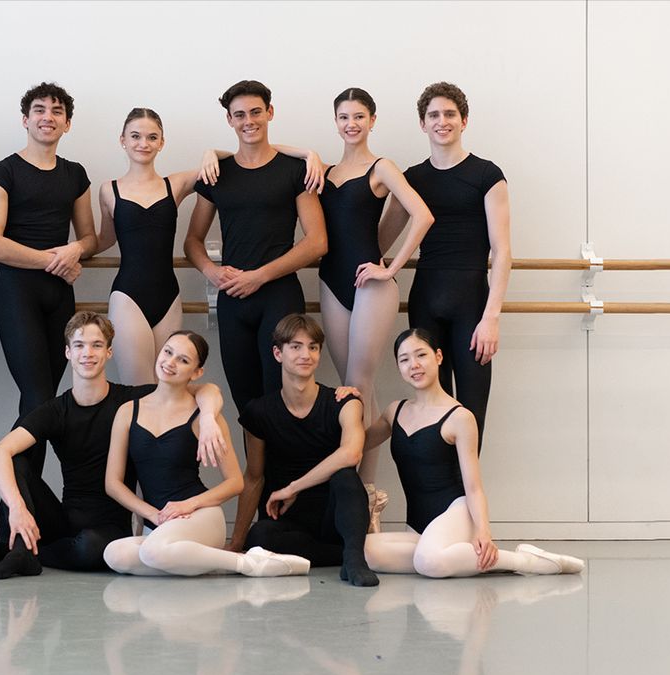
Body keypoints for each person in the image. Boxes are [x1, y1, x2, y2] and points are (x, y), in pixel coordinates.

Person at [0, 312, 227, 580]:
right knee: (14, 462)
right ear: (68, 352)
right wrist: (18, 508)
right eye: (79, 345)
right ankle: (20, 551)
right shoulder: (55, 410)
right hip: (64, 519)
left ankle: (29, 553)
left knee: (90, 548)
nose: (87, 353)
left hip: (109, 528)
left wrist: (207, 418)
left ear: (109, 352)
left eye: (97, 345)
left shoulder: (133, 400)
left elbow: (208, 389)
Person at [278, 88, 434, 504]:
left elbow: (422, 215)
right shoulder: (324, 172)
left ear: (372, 121)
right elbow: (270, 149)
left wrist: (391, 268)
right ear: (336, 122)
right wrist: (308, 152)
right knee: (354, 389)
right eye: (344, 117)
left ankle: (359, 496)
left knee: (356, 386)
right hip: (331, 283)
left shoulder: (381, 168)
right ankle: (364, 492)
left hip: (371, 286)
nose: (352, 124)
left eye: (359, 117)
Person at [95, 108, 321, 386]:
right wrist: (72, 251)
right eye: (135, 136)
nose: (143, 143)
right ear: (123, 140)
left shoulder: (176, 184)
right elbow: (104, 239)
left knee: (170, 386)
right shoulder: (108, 190)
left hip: (168, 296)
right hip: (127, 295)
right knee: (138, 387)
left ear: (162, 142)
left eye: (152, 137)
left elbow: (239, 155)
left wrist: (306, 154)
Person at [362, 329, 584, 578]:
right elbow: (358, 444)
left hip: (456, 513)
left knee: (428, 561)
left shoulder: (460, 417)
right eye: (404, 359)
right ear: (398, 367)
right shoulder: (395, 411)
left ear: (438, 357)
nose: (414, 365)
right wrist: (347, 400)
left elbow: (474, 486)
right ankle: (445, 554)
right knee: (365, 551)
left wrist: (483, 531)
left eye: (421, 355)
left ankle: (523, 560)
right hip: (418, 524)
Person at [103, 331, 310, 577]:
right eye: (168, 352)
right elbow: (113, 483)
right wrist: (153, 515)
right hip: (159, 523)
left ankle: (247, 563)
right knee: (114, 554)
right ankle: (200, 561)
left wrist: (188, 505)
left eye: (183, 360)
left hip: (200, 517)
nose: (170, 362)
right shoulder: (128, 411)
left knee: (152, 553)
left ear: (196, 372)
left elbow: (235, 482)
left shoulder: (204, 417)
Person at [184, 79, 328, 413]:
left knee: (284, 398)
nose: (248, 121)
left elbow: (317, 242)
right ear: (229, 120)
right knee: (246, 404)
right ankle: (253, 453)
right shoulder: (216, 173)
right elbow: (192, 241)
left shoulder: (296, 170)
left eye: (255, 112)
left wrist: (259, 276)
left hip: (279, 296)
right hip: (232, 299)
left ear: (269, 112)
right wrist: (212, 272)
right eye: (239, 115)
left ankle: (286, 453)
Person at [379, 82, 510, 446]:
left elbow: (502, 251)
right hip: (426, 298)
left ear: (464, 120)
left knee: (471, 410)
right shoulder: (413, 179)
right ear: (422, 123)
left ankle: (467, 484)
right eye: (433, 115)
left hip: (472, 304)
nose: (442, 121)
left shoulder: (487, 175)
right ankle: (439, 483)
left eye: (450, 114)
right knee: (433, 407)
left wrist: (491, 317)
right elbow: (381, 239)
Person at [0, 82, 96, 476]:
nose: (48, 117)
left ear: (67, 123)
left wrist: (74, 250)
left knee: (42, 401)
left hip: (60, 294)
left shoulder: (75, 174)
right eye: (40, 110)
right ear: (25, 119)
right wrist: (54, 259)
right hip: (17, 292)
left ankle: (23, 497)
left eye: (57, 111)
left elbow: (89, 238)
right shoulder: (3, 171)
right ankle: (17, 496)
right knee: (39, 396)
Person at [228, 314, 378, 586]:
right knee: (258, 538)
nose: (305, 355)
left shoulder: (344, 403)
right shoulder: (259, 411)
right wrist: (236, 544)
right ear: (278, 353)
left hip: (336, 515)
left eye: (313, 347)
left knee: (345, 476)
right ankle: (343, 554)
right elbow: (254, 477)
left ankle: (354, 559)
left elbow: (351, 454)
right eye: (295, 346)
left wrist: (293, 488)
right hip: (289, 520)